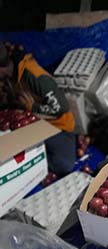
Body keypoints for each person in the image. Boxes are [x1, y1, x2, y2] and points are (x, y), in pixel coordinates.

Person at [0, 42, 76, 177]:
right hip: (31, 122)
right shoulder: (9, 77)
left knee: (64, 165)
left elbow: (61, 108)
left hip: (56, 126)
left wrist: (32, 107)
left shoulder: (35, 76)